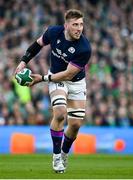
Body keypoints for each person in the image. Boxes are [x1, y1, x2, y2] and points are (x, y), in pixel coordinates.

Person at [15, 9, 91, 173]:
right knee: (60, 113)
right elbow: (37, 45)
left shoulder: (84, 48)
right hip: (56, 79)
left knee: (76, 124)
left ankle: (64, 153)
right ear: (66, 25)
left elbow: (69, 74)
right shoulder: (53, 32)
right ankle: (56, 157)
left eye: (81, 24)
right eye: (75, 24)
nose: (79, 28)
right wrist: (23, 62)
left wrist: (41, 79)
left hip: (75, 82)